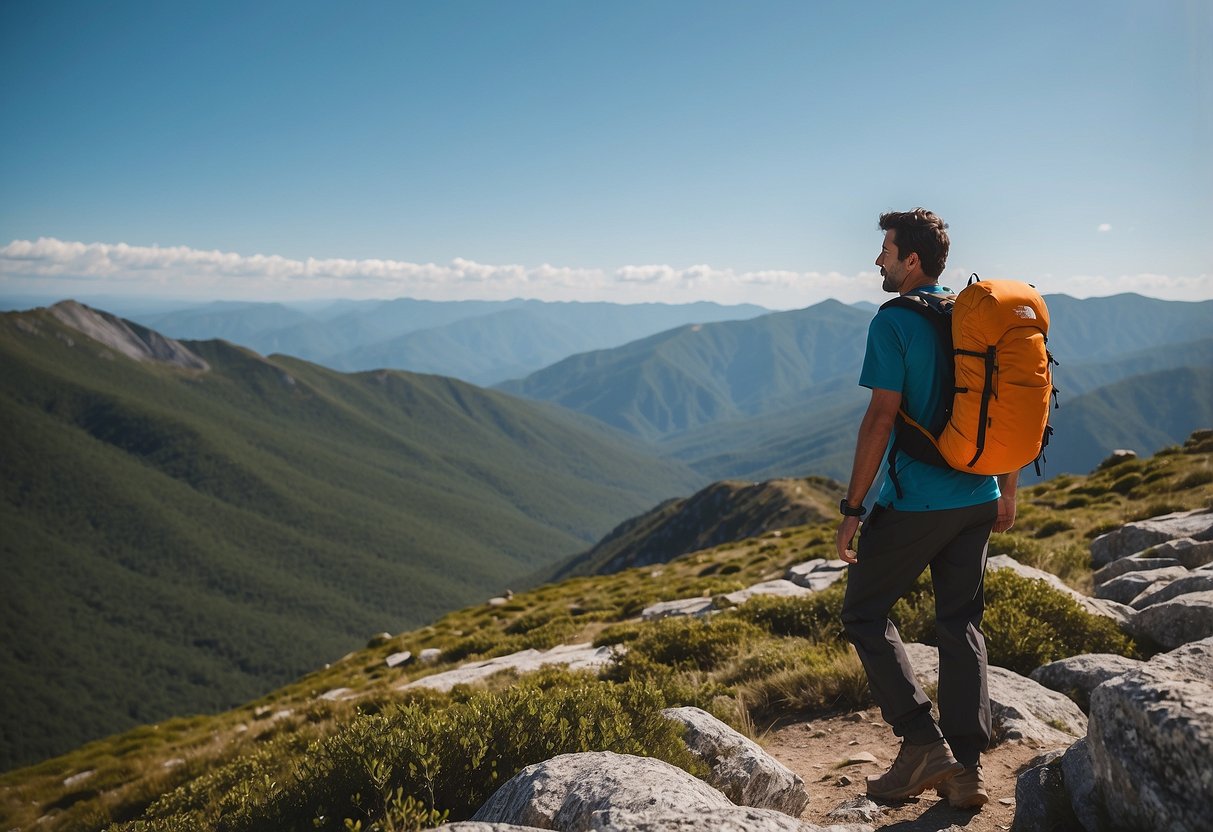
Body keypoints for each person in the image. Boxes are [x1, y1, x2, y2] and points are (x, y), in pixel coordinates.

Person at [835, 208, 1018, 809]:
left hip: (919, 501)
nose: (877, 261)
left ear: (910, 259)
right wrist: (1006, 491)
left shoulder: (894, 321)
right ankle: (965, 770)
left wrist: (853, 507)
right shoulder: (974, 316)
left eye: (884, 250)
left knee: (863, 612)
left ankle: (921, 742)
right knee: (959, 622)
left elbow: (881, 418)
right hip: (980, 496)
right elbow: (1005, 407)